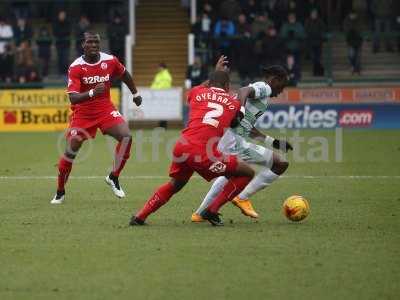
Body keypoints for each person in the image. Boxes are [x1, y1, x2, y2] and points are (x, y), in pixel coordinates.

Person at [129, 57, 255, 226]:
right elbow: (236, 122)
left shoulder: (197, 91)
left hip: (181, 146)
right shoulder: (233, 103)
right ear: (227, 87)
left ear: (210, 83)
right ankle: (212, 210)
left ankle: (140, 216)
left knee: (176, 184)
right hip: (203, 152)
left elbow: (206, 87)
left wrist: (215, 73)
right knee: (247, 172)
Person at [50, 32, 142, 204]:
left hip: (105, 108)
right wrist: (92, 92)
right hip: (83, 112)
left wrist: (135, 94)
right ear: (83, 45)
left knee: (126, 136)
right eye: (89, 42)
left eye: (96, 42)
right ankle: (60, 191)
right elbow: (73, 97)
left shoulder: (110, 60)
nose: (93, 45)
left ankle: (113, 177)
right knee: (71, 152)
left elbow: (124, 74)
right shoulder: (76, 67)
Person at [192, 65, 291, 222]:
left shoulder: (263, 96)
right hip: (233, 141)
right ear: (274, 80)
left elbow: (248, 128)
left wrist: (273, 142)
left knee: (230, 174)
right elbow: (242, 91)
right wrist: (241, 111)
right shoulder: (264, 87)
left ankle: (199, 214)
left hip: (229, 138)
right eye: (282, 85)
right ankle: (242, 197)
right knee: (281, 163)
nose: (282, 91)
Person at [304, 9, 326, 76]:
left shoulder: (320, 21)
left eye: (315, 14)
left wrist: (319, 36)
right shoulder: (307, 21)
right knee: (314, 58)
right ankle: (316, 71)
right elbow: (306, 30)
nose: (314, 15)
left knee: (318, 58)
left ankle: (318, 72)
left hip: (318, 42)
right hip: (311, 43)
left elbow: (323, 29)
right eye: (313, 14)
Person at [53, 10, 71, 75]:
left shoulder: (68, 23)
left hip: (66, 44)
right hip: (59, 44)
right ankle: (60, 73)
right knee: (60, 59)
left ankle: (65, 73)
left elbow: (68, 31)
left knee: (65, 60)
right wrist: (62, 33)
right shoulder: (55, 23)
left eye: (63, 15)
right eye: (61, 15)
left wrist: (61, 33)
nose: (62, 17)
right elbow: (55, 32)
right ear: (59, 16)